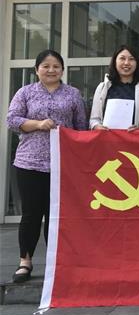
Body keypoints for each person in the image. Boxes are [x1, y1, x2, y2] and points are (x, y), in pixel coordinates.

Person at [6, 50, 87, 283]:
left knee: (57, 216)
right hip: (29, 163)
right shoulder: (25, 92)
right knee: (31, 214)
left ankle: (56, 262)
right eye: (45, 66)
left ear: (62, 70)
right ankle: (25, 261)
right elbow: (12, 120)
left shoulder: (73, 94)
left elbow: (81, 127)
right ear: (36, 69)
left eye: (56, 66)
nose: (51, 70)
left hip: (63, 164)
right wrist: (37, 124)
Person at [89, 45, 139, 130]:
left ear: (137, 63)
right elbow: (94, 120)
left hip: (134, 137)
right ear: (115, 61)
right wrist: (97, 126)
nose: (126, 63)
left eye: (131, 59)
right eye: (122, 58)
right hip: (107, 137)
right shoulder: (102, 87)